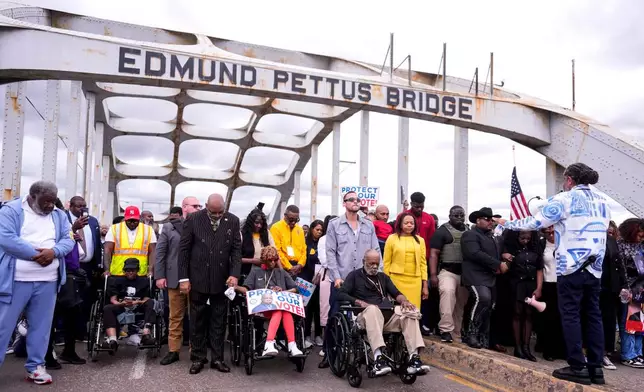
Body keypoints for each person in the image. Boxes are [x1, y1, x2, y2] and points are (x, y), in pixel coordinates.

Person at [496, 162, 611, 386]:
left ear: (569, 179)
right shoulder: (603, 200)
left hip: (571, 266)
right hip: (595, 267)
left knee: (571, 315)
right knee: (594, 315)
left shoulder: (565, 199)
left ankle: (577, 366)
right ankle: (596, 368)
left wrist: (506, 223)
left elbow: (535, 221)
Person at [0, 181, 75, 385]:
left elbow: (69, 240)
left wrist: (54, 252)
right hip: (15, 281)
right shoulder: (11, 211)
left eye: (53, 201)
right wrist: (37, 256)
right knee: (3, 326)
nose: (50, 205)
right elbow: (6, 238)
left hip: (48, 282)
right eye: (46, 201)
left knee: (41, 328)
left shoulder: (59, 215)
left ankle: (35, 367)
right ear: (32, 196)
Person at [336, 249, 430, 376]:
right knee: (373, 309)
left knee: (410, 313)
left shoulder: (383, 277)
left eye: (376, 263)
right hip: (364, 318)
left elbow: (396, 293)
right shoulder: (354, 276)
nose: (374, 266)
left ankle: (414, 359)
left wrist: (404, 301)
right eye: (371, 263)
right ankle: (378, 360)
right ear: (364, 262)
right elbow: (340, 294)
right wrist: (359, 302)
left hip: (385, 318)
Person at [178, 193, 241, 375]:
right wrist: (184, 278)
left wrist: (234, 274)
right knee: (197, 320)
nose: (217, 216)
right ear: (206, 206)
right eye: (213, 213)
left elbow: (236, 251)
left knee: (219, 321)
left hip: (221, 279)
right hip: (197, 277)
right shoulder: (193, 218)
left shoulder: (233, 221)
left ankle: (217, 358)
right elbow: (184, 250)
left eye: (220, 212)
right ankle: (198, 358)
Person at [319, 191, 380, 368]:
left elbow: (375, 250)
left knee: (366, 316)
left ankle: (367, 353)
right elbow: (330, 252)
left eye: (357, 200)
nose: (355, 202)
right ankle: (329, 353)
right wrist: (336, 277)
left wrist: (379, 275)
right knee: (334, 316)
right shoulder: (334, 224)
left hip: (364, 279)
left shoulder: (368, 225)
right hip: (342, 279)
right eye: (351, 200)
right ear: (344, 203)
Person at [236, 246, 304, 357]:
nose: (272, 262)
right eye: (270, 260)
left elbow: (296, 288)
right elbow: (247, 289)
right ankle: (272, 343)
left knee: (284, 311)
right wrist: (236, 287)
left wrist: (283, 291)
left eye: (275, 260)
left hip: (280, 306)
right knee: (279, 311)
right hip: (262, 307)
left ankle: (291, 344)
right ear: (264, 260)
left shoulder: (281, 273)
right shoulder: (255, 272)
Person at [155, 200, 200, 366]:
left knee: (196, 318)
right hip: (174, 278)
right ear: (185, 208)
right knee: (175, 317)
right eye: (195, 206)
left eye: (199, 206)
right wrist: (159, 276)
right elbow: (160, 253)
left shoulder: (203, 225)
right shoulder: (169, 227)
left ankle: (195, 352)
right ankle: (173, 351)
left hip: (196, 279)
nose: (198, 209)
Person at [461, 207, 506, 349]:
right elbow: (474, 253)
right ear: (478, 220)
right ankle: (471, 333)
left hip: (489, 275)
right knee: (482, 298)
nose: (489, 222)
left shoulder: (491, 236)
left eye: (491, 220)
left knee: (490, 305)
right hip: (474, 275)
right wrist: (497, 264)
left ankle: (482, 335)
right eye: (486, 219)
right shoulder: (470, 235)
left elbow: (495, 253)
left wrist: (502, 259)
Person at [428, 206, 469, 343]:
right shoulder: (442, 231)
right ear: (449, 216)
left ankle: (456, 333)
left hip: (464, 273)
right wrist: (433, 274)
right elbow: (434, 254)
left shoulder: (468, 231)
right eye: (456, 215)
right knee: (448, 294)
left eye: (461, 215)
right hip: (447, 271)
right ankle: (445, 330)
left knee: (460, 304)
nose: (459, 218)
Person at [502, 230, 543, 362]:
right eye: (522, 238)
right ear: (517, 237)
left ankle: (526, 347)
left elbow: (539, 270)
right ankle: (517, 347)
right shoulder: (511, 249)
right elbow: (505, 269)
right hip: (517, 284)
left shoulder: (536, 249)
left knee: (529, 314)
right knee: (517, 313)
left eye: (528, 238)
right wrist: (505, 256)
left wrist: (539, 287)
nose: (525, 240)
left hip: (531, 285)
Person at [101, 258, 156, 353]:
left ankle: (146, 335)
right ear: (124, 270)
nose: (130, 272)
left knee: (151, 302)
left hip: (138, 307)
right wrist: (121, 303)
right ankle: (113, 340)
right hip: (121, 306)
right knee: (107, 308)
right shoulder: (116, 281)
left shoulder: (144, 281)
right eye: (127, 270)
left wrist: (136, 302)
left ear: (137, 270)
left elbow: (147, 299)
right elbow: (113, 300)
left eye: (133, 270)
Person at [383, 212, 428, 309]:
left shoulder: (420, 240)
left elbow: (423, 264)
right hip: (396, 280)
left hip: (415, 281)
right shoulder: (392, 239)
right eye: (406, 223)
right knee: (398, 310)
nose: (409, 225)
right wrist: (386, 285)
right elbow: (386, 263)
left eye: (412, 223)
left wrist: (425, 286)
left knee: (414, 311)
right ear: (400, 224)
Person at [104, 206, 157, 276]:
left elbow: (152, 252)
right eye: (129, 221)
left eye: (135, 221)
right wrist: (107, 270)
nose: (132, 223)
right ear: (125, 219)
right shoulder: (114, 228)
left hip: (140, 273)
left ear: (139, 219)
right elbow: (107, 250)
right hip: (118, 272)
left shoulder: (148, 230)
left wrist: (150, 270)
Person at [302, 220, 324, 347]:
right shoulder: (305, 242)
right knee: (308, 308)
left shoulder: (323, 243)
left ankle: (318, 335)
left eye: (321, 230)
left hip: (320, 279)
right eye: (317, 229)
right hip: (307, 279)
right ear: (311, 229)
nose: (319, 232)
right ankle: (306, 335)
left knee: (319, 308)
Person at [270, 205, 306, 273]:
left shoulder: (300, 230)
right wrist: (289, 267)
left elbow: (304, 250)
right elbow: (277, 250)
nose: (293, 222)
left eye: (296, 220)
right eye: (291, 219)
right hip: (281, 267)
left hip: (297, 268)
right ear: (285, 215)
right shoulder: (276, 228)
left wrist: (300, 264)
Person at [241, 208, 275, 279]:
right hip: (246, 273)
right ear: (251, 222)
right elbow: (235, 258)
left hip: (264, 273)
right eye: (256, 223)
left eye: (261, 224)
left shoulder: (267, 233)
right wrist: (253, 261)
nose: (259, 226)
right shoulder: (242, 234)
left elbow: (274, 250)